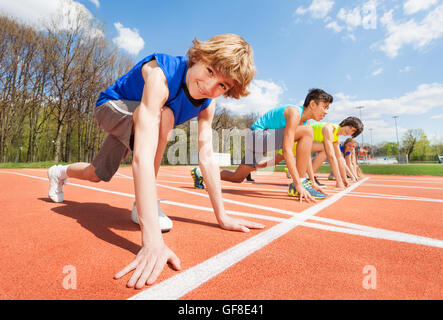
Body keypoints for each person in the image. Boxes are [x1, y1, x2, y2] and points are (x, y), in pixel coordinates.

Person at [47, 34, 264, 289]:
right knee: (166, 116)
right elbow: (142, 156)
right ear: (197, 57)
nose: (209, 86)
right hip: (111, 108)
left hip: (141, 119)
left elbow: (206, 156)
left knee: (98, 173)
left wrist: (223, 215)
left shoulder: (207, 105)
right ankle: (144, 206)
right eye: (209, 71)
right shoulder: (160, 76)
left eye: (223, 86)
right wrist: (151, 241)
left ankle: (59, 172)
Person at [191, 88, 333, 202]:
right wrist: (298, 183)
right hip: (257, 136)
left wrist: (312, 181)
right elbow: (287, 149)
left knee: (238, 177)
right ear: (313, 104)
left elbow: (304, 156)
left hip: (259, 141)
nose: (326, 112)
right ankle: (300, 183)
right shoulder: (294, 113)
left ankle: (202, 173)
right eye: (324, 107)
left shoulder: (305, 124)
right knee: (306, 132)